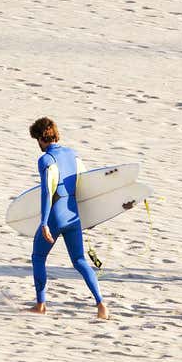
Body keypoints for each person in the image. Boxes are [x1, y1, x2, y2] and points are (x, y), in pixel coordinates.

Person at [27, 117, 109, 320]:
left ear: (40, 138)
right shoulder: (73, 155)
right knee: (80, 260)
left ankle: (41, 305)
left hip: (55, 216)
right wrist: (89, 218)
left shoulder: (46, 160)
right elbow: (86, 186)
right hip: (73, 216)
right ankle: (101, 304)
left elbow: (47, 192)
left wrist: (45, 223)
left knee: (38, 257)